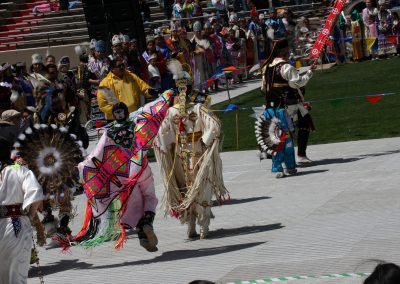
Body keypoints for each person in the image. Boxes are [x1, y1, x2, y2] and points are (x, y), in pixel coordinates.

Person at [74, 91, 175, 252]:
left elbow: (96, 155)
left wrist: (83, 167)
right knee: (149, 197)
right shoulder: (136, 122)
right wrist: (168, 94)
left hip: (124, 176)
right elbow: (152, 110)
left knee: (133, 204)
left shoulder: (109, 132)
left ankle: (142, 232)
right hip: (141, 168)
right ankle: (146, 224)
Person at [153, 59, 228, 239]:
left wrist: (204, 141)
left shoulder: (198, 107)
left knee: (202, 186)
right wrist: (163, 144)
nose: (182, 93)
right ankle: (191, 224)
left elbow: (214, 126)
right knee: (184, 188)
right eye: (180, 89)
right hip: (180, 156)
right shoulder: (171, 112)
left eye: (184, 88)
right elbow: (163, 133)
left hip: (198, 153)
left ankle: (204, 225)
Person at [260, 39, 316, 165]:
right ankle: (300, 156)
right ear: (284, 52)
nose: (289, 53)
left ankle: (278, 157)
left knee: (281, 131)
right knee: (303, 123)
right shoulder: (286, 67)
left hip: (272, 105)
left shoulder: (267, 67)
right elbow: (297, 83)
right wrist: (309, 73)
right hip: (289, 104)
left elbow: (263, 88)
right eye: (288, 51)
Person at [0, 138, 44, 284]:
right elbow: (36, 192)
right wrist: (30, 215)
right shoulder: (19, 170)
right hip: (16, 224)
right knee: (16, 274)